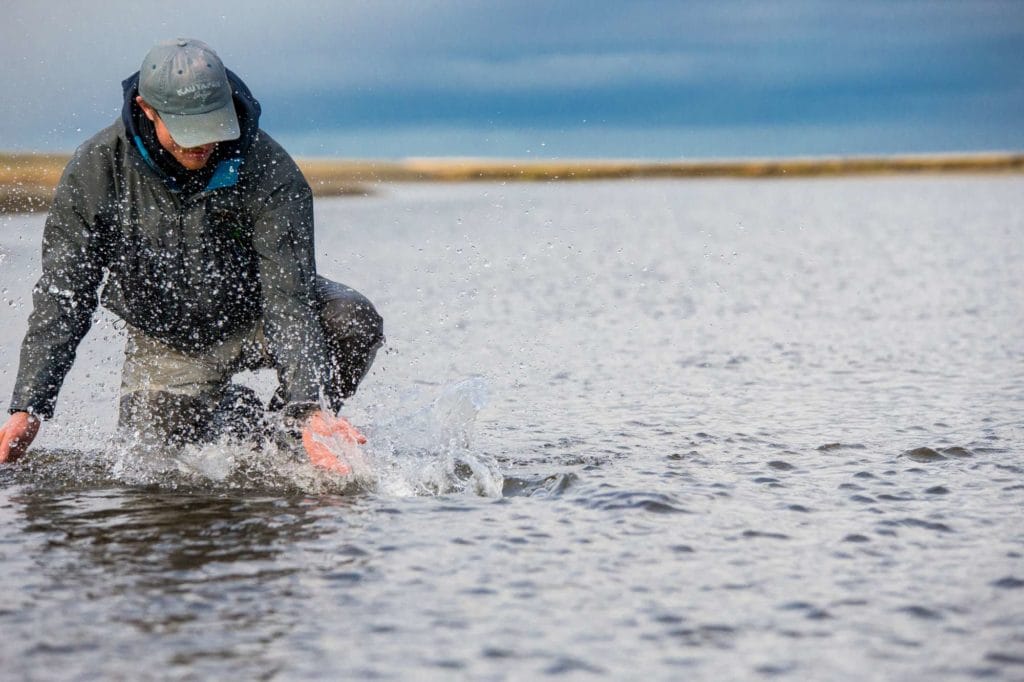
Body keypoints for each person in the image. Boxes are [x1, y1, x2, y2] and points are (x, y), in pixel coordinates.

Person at [0, 39, 383, 471]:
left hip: (256, 315)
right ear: (147, 109)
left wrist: (307, 405)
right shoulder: (98, 169)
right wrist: (29, 405)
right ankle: (236, 416)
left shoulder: (270, 170)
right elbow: (64, 295)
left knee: (352, 320)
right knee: (156, 473)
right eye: (187, 128)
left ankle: (288, 432)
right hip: (168, 342)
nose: (203, 143)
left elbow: (288, 297)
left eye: (212, 123)